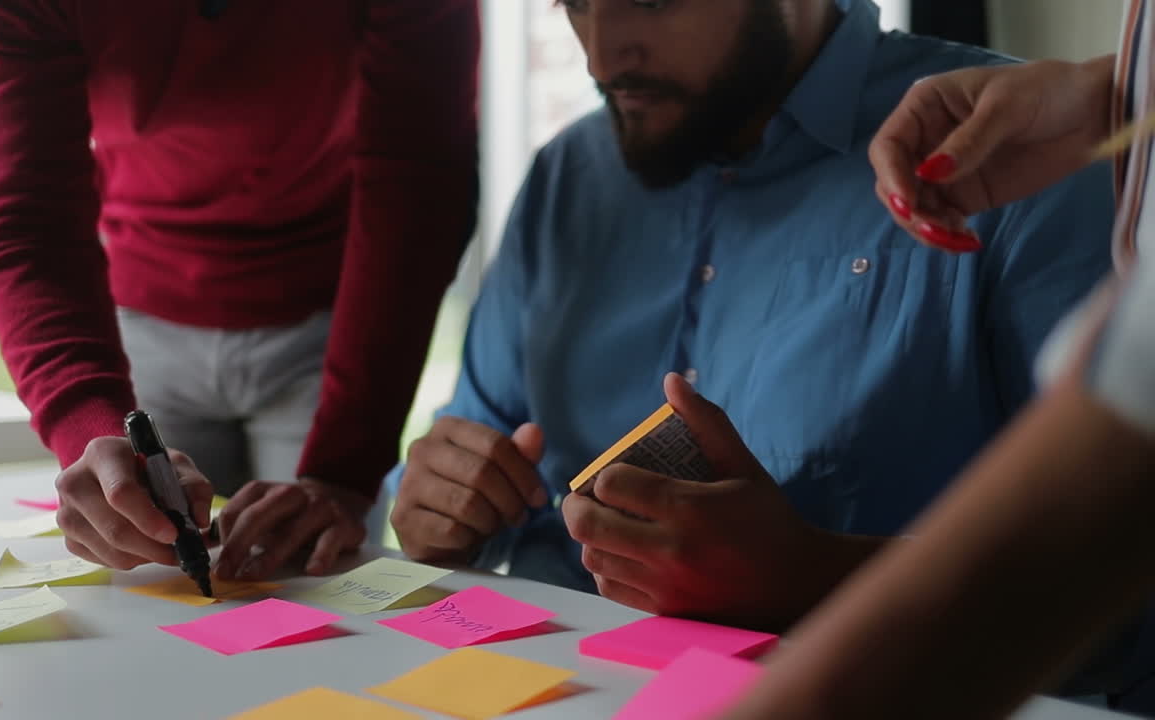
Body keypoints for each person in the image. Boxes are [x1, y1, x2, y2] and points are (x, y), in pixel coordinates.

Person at [388, 0, 1136, 694]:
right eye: (573, 2)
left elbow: (1129, 593)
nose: (603, 54)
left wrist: (811, 577)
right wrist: (440, 506)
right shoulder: (565, 178)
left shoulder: (1019, 154)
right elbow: (466, 463)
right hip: (528, 687)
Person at [722, 5, 1155, 718]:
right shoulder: (571, 174)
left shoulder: (1041, 212)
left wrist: (802, 583)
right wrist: (1117, 98)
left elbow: (1123, 464)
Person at [0, 1, 479, 581]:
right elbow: (29, 216)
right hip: (139, 320)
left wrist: (344, 470)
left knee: (322, 583)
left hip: (333, 328)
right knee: (152, 580)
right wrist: (91, 429)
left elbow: (419, 185)